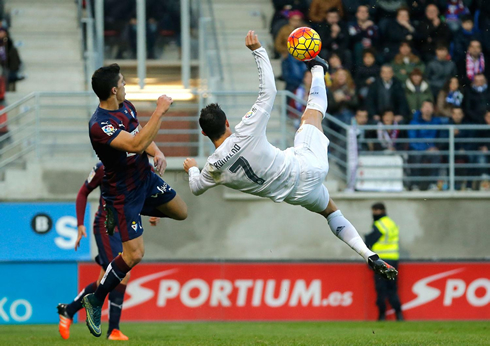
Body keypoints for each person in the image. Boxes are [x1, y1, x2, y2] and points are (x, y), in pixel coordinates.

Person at [183, 31, 398, 284]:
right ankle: (319, 68)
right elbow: (269, 91)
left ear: (204, 133)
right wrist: (258, 51)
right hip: (306, 166)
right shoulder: (244, 132)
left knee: (330, 212)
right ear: (227, 122)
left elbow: (196, 188)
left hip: (297, 195)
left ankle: (368, 254)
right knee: (311, 116)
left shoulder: (212, 168)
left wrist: (192, 169)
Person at [83, 64, 188, 337]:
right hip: (124, 193)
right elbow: (133, 145)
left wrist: (158, 151)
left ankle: (133, 214)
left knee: (181, 212)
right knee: (135, 255)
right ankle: (95, 299)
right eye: (123, 81)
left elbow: (140, 135)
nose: (127, 84)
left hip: (146, 179)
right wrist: (160, 111)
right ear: (114, 90)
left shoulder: (126, 106)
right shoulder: (99, 125)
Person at [57, 163, 159, 340]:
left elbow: (151, 190)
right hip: (107, 227)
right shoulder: (103, 167)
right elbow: (83, 192)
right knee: (122, 273)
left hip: (127, 226)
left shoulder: (143, 165)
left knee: (104, 280)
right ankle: (113, 330)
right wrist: (80, 224)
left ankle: (69, 310)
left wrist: (155, 210)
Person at [365, 202, 403, 321]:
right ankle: (399, 315)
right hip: (393, 259)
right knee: (392, 289)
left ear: (378, 211)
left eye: (374, 211)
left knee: (381, 289)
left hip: (381, 261)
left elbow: (370, 241)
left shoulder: (379, 224)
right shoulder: (392, 223)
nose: (373, 214)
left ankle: (382, 315)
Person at [408, 100, 442, 190]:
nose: (427, 109)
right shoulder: (414, 122)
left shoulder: (437, 122)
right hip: (417, 149)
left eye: (430, 107)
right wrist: (425, 148)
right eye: (425, 107)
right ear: (421, 109)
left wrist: (435, 147)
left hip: (431, 150)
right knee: (415, 155)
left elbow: (441, 137)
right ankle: (415, 184)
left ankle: (433, 184)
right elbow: (412, 141)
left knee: (436, 155)